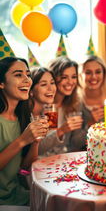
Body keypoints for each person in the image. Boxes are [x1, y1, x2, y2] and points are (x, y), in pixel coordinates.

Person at [0, 57, 48, 205]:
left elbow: (24, 167)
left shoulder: (22, 117)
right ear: (1, 83)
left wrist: (35, 142)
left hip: (18, 194)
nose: (27, 80)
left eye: (28, 74)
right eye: (18, 74)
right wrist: (22, 140)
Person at [38, 57, 84, 156]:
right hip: (41, 161)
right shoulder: (42, 105)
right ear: (53, 79)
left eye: (73, 77)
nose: (70, 82)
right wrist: (61, 130)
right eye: (64, 77)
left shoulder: (75, 104)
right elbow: (37, 149)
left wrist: (90, 123)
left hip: (62, 159)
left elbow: (75, 144)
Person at [79, 55, 106, 132]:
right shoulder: (76, 100)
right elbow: (75, 141)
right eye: (88, 72)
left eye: (98, 72)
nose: (94, 77)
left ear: (104, 73)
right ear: (80, 75)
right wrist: (91, 122)